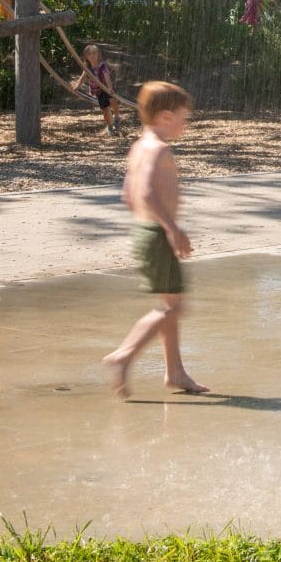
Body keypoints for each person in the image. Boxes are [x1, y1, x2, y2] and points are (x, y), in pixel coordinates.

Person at [102, 81, 208, 398]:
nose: (185, 124)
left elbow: (128, 195)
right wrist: (172, 228)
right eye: (183, 117)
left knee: (169, 304)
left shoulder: (139, 146)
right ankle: (124, 355)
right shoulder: (159, 149)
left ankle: (175, 372)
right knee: (172, 309)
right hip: (157, 235)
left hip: (145, 232)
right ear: (165, 117)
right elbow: (146, 191)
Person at [81, 43, 120, 137]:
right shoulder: (87, 67)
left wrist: (110, 88)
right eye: (89, 54)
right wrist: (77, 86)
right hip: (98, 92)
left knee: (112, 101)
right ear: (86, 56)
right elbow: (82, 77)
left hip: (106, 88)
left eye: (94, 53)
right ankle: (110, 126)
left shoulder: (102, 66)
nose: (92, 55)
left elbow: (107, 78)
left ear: (98, 54)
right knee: (105, 110)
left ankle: (117, 116)